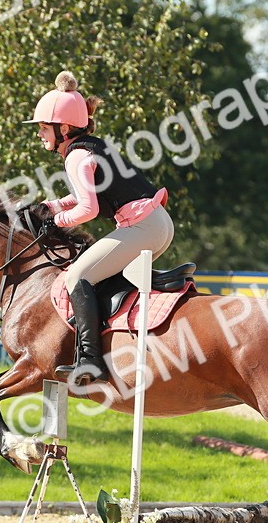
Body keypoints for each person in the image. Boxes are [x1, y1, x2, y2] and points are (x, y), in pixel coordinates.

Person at [24, 70, 175, 385]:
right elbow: (84, 195)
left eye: (42, 128)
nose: (39, 134)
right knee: (99, 276)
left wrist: (55, 221)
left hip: (143, 227)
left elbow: (88, 209)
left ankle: (91, 362)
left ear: (63, 128)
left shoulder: (76, 157)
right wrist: (52, 205)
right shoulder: (90, 147)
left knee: (77, 276)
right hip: (156, 223)